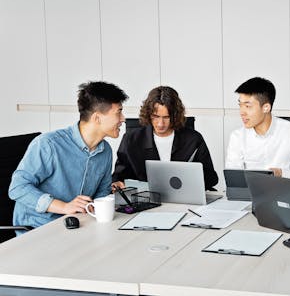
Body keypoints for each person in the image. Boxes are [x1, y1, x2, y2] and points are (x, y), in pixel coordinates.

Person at [9, 81, 129, 234]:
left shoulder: (105, 151)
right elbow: (17, 188)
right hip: (38, 229)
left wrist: (104, 201)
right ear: (97, 118)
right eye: (118, 112)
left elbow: (101, 193)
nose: (123, 118)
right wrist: (64, 207)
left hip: (79, 226)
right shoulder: (49, 144)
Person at [112, 86, 218, 190]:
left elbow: (211, 178)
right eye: (156, 116)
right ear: (148, 114)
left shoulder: (193, 139)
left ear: (175, 116)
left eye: (166, 117)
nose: (160, 124)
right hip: (145, 200)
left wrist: (190, 178)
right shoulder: (131, 139)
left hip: (183, 199)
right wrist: (116, 183)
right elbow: (119, 176)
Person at [226, 77, 290, 182]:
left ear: (266, 107)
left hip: (286, 194)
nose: (242, 112)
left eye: (247, 106)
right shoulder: (237, 137)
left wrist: (282, 174)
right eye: (240, 105)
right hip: (250, 196)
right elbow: (233, 178)